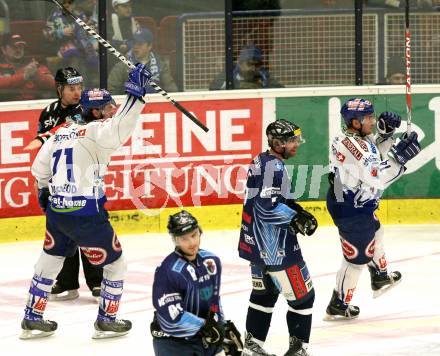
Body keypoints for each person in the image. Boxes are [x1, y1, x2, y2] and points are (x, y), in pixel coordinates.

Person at [19, 63, 152, 340]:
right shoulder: (96, 133)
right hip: (86, 214)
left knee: (50, 259)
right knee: (116, 263)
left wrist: (45, 193)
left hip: (58, 213)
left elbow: (38, 171)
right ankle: (107, 319)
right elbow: (121, 126)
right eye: (107, 108)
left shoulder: (60, 133)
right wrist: (137, 96)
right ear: (95, 112)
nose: (112, 112)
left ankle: (32, 316)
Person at [324, 98, 421, 320]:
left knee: (376, 231)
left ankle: (379, 275)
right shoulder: (356, 147)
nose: (373, 120)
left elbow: (370, 156)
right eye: (368, 118)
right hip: (352, 208)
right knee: (356, 258)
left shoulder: (348, 138)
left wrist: (384, 135)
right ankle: (338, 304)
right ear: (355, 123)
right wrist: (399, 159)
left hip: (349, 201)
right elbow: (378, 177)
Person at [238, 120, 318, 356]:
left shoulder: (260, 160)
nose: (296, 145)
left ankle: (252, 348)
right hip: (276, 248)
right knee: (304, 298)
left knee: (264, 294)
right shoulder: (274, 167)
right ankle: (299, 350)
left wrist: (293, 207)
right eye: (292, 141)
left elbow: (266, 200)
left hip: (255, 245)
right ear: (277, 143)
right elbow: (266, 207)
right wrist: (294, 218)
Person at [24, 67, 104, 302]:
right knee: (63, 230)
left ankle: (97, 282)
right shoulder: (48, 113)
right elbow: (44, 152)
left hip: (84, 179)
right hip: (58, 182)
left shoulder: (88, 108)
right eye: (71, 88)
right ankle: (68, 282)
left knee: (88, 230)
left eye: (79, 87)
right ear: (59, 89)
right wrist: (42, 184)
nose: (77, 92)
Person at [151, 210, 243, 356]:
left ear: (200, 232)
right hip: (174, 344)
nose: (192, 243)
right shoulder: (168, 272)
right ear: (175, 240)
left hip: (207, 339)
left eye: (194, 235)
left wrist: (222, 326)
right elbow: (172, 318)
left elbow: (214, 300)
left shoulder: (211, 261)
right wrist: (206, 327)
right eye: (184, 239)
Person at [44, 0, 98, 87]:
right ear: (60, 5)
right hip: (63, 46)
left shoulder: (81, 15)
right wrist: (61, 32)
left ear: (73, 4)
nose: (67, 5)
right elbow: (46, 35)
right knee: (76, 59)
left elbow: (92, 29)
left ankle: (90, 87)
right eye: (64, 3)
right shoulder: (53, 17)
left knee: (96, 55)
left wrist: (93, 39)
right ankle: (79, 87)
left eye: (69, 3)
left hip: (83, 45)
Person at [108, 27, 177, 94]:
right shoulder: (123, 64)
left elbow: (171, 90)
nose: (135, 47)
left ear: (149, 46)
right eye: (134, 43)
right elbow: (111, 90)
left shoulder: (160, 65)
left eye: (140, 44)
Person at [0, 33, 54, 101]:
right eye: (14, 47)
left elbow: (54, 84)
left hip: (33, 105)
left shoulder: (33, 64)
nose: (18, 49)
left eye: (20, 46)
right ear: (3, 49)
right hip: (5, 107)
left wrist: (37, 75)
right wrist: (24, 76)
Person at [209, 44, 283, 90]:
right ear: (240, 63)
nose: (253, 68)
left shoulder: (263, 75)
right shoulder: (229, 73)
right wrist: (240, 86)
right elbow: (214, 87)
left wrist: (261, 87)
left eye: (256, 65)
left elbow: (280, 89)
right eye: (250, 64)